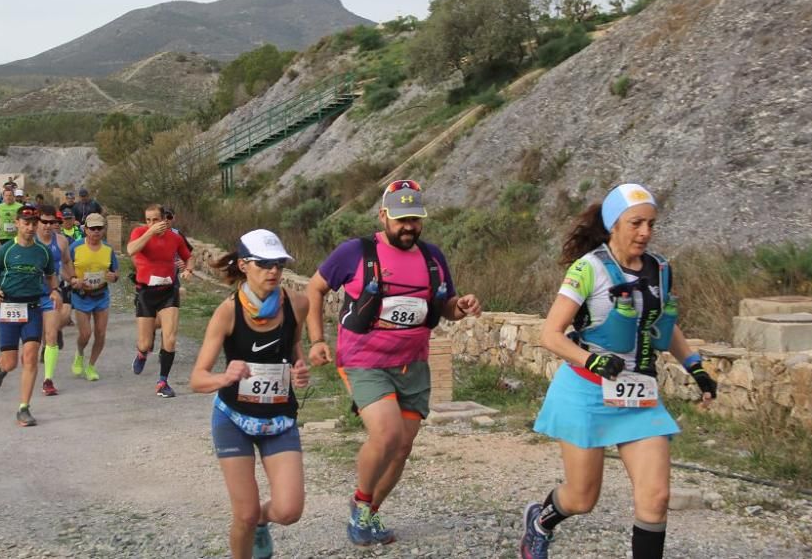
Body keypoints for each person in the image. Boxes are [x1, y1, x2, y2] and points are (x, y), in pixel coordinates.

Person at [518, 184, 718, 559]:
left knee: (656, 497)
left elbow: (663, 324)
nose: (645, 232)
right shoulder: (589, 269)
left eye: (651, 224)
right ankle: (540, 521)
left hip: (638, 394)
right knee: (581, 498)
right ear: (614, 224)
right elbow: (550, 335)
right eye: (636, 223)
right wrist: (591, 359)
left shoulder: (660, 269)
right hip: (586, 392)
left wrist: (697, 368)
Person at [306, 179, 481, 546]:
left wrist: (460, 307)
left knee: (403, 447)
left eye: (415, 219)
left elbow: (445, 306)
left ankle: (367, 511)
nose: (409, 227)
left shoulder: (432, 258)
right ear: (383, 215)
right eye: (401, 219)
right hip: (363, 360)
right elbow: (315, 287)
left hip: (413, 364)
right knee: (387, 435)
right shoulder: (355, 252)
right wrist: (317, 339)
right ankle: (361, 502)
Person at [190, 229, 310, 559]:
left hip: (279, 419)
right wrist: (223, 377)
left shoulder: (297, 304)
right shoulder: (228, 312)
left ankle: (262, 521)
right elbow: (197, 379)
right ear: (244, 265)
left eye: (279, 264)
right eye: (264, 264)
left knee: (289, 511)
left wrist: (300, 368)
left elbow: (294, 348)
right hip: (234, 420)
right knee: (243, 513)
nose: (273, 271)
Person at [0, 205, 59, 428]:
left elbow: (52, 277)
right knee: (11, 361)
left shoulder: (42, 252)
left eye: (34, 223)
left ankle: (24, 408)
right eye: (26, 223)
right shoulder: (5, 251)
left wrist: (54, 290)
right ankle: (1, 368)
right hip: (9, 308)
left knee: (31, 357)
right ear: (17, 224)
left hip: (33, 309)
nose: (31, 227)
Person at [127, 204, 193, 397]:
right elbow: (131, 249)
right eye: (148, 220)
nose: (151, 224)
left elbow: (190, 257)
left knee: (170, 338)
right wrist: (149, 233)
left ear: (165, 219)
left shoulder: (175, 237)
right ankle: (141, 353)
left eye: (155, 220)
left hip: (168, 291)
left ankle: (162, 381)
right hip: (146, 293)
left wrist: (188, 269)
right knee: (145, 343)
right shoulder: (140, 232)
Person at [68, 213, 119, 382]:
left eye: (99, 228)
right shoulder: (75, 247)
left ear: (104, 230)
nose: (96, 232)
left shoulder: (108, 249)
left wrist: (113, 276)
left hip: (101, 295)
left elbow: (116, 272)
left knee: (100, 333)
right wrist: (73, 280)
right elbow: (65, 267)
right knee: (85, 334)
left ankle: (91, 366)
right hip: (81, 296)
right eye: (92, 228)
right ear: (86, 229)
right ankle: (80, 354)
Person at [36, 204, 73, 394]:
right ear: (38, 221)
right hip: (29, 294)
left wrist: (73, 278)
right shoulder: (28, 239)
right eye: (44, 222)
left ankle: (47, 380)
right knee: (34, 337)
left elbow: (66, 262)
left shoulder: (61, 242)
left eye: (52, 222)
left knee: (51, 334)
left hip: (52, 292)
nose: (48, 226)